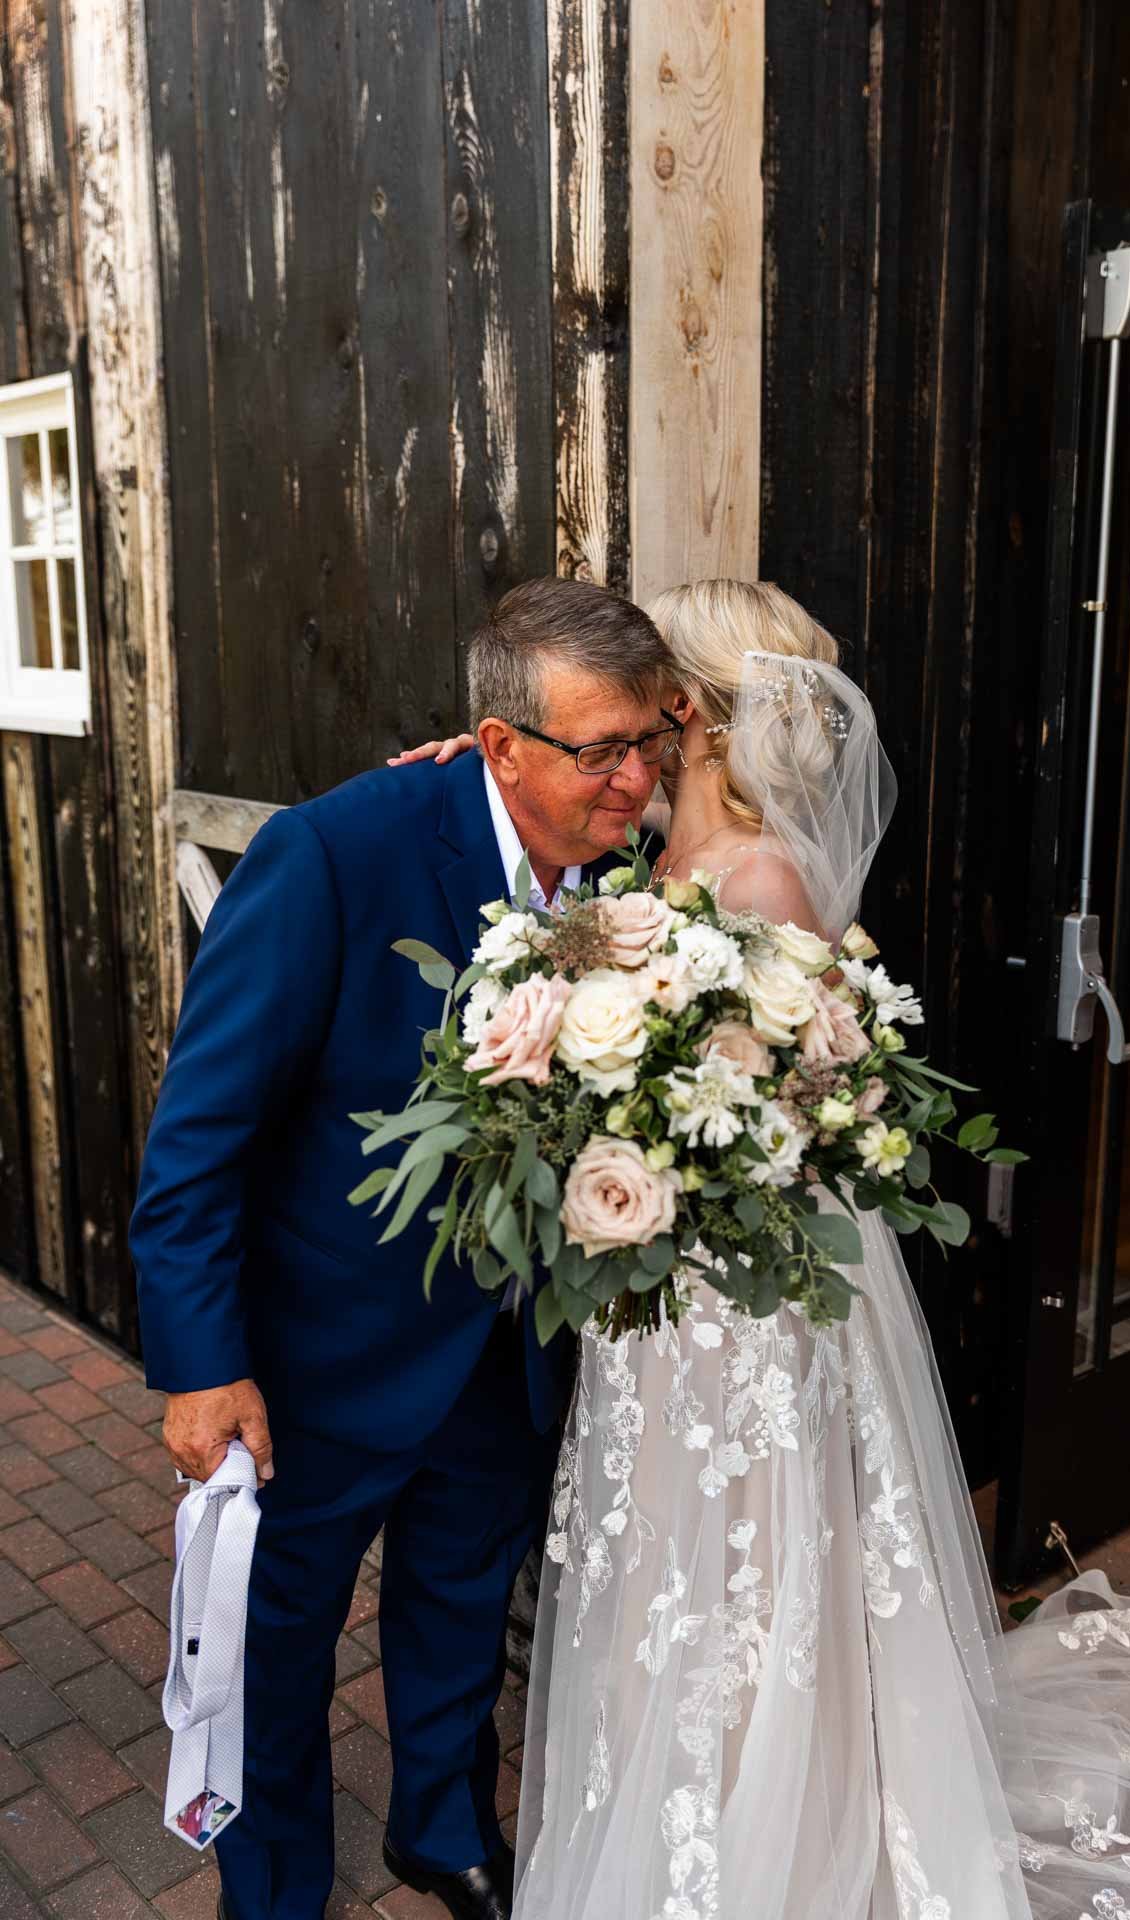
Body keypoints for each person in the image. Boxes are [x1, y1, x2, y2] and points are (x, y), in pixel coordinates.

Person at [399, 578, 1130, 1920]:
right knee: (676, 1567)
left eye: (639, 703)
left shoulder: (759, 878)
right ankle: (678, 1786)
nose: (619, 735)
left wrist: (623, 1137)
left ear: (680, 708)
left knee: (745, 1557)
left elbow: (773, 1119)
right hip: (660, 1286)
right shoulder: (650, 861)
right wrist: (486, 754)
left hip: (732, 1291)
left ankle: (770, 1827)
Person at [130, 578, 680, 1920]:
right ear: (499, 745)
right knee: (278, 1648)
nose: (632, 779)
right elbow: (200, 1131)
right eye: (597, 749)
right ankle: (272, 1886)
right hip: (321, 1355)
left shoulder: (630, 873)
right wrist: (201, 1366)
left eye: (647, 738)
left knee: (456, 1609)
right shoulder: (334, 856)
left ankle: (442, 1833)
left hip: (508, 1349)